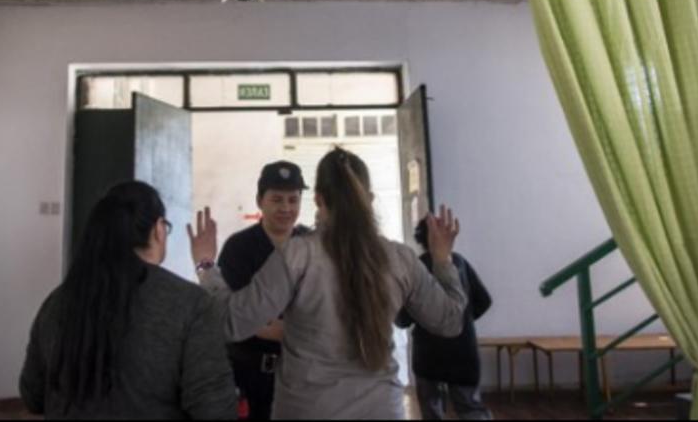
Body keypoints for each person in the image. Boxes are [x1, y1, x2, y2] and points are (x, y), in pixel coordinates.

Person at [189, 147, 468, 420]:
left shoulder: (297, 254)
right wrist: (442, 260)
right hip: (382, 408)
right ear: (370, 199)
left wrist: (205, 265)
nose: (285, 207)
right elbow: (450, 321)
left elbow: (230, 322)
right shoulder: (400, 258)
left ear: (318, 199)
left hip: (309, 407)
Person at [20, 181, 237, 420]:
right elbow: (215, 409)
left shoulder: (58, 302)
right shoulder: (191, 304)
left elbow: (33, 396)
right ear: (158, 230)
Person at [217, 161, 311, 420]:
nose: (286, 208)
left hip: (303, 377)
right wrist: (304, 330)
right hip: (250, 377)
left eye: (293, 200)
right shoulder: (238, 248)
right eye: (277, 200)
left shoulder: (312, 245)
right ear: (260, 201)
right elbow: (236, 316)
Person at [396, 219, 493, 420]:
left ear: (420, 238)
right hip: (463, 349)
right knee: (470, 409)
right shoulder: (460, 262)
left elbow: (403, 319)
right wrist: (463, 321)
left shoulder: (416, 267)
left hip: (428, 353)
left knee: (432, 411)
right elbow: (484, 301)